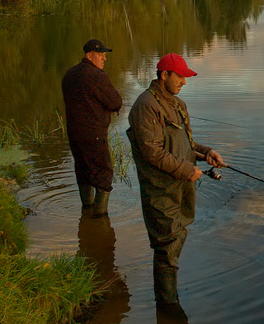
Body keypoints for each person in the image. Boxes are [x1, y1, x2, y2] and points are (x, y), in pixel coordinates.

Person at [127, 53, 224, 309]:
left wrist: (206, 154)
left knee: (177, 238)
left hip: (180, 185)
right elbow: (152, 152)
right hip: (160, 189)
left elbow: (186, 145)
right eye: (180, 76)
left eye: (186, 76)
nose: (184, 81)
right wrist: (186, 169)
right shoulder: (145, 105)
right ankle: (167, 305)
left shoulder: (178, 105)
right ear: (164, 75)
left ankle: (169, 301)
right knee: (166, 245)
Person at [61, 38, 123, 216]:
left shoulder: (69, 74)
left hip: (74, 134)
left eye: (105, 55)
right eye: (101, 55)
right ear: (89, 56)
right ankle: (99, 218)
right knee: (104, 174)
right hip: (94, 135)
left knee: (83, 172)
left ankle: (86, 212)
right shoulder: (97, 76)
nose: (104, 58)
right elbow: (115, 102)